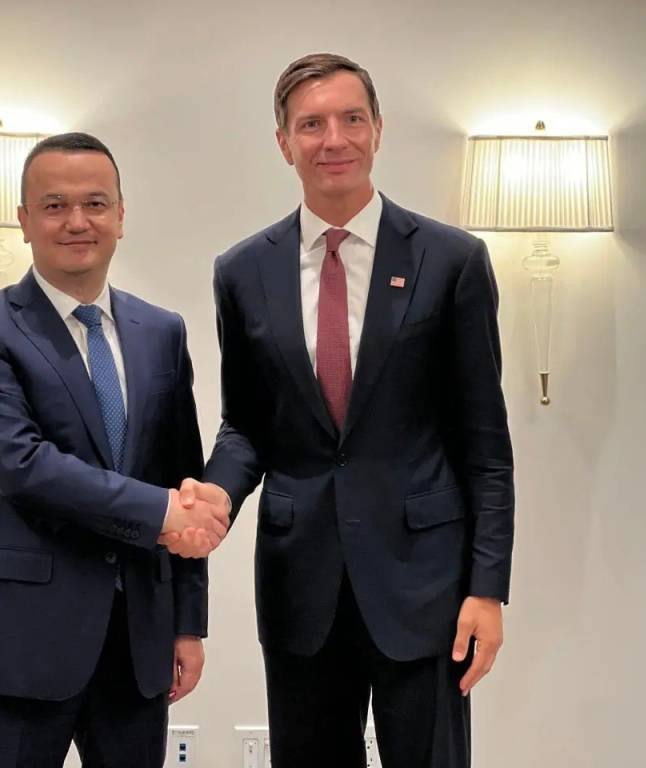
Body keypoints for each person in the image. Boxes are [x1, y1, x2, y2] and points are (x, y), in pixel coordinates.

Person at [184, 53, 515, 767]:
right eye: (311, 124)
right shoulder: (242, 271)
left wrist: (487, 589)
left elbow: (486, 446)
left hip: (425, 585)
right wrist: (216, 493)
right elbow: (247, 426)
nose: (333, 139)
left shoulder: (451, 260)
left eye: (351, 119)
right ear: (284, 143)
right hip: (301, 585)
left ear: (378, 130)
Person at [0, 132, 229, 768]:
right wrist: (162, 513)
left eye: (95, 203)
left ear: (121, 215)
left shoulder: (161, 331)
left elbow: (179, 472)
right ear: (24, 221)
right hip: (19, 639)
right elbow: (24, 468)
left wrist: (187, 622)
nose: (77, 221)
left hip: (138, 639)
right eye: (55, 206)